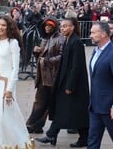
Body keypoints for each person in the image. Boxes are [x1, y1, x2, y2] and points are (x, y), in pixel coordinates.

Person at [35, 17, 89, 148]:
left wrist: (70, 85)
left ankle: (53, 134)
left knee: (68, 110)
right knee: (66, 109)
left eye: (65, 26)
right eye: (62, 26)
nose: (62, 28)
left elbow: (76, 66)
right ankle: (54, 135)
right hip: (64, 80)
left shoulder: (76, 43)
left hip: (73, 84)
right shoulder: (68, 40)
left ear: (72, 27)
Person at [0, 16, 34, 149]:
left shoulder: (13, 43)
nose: (0, 27)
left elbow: (15, 68)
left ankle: (15, 143)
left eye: (3, 25)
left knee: (6, 116)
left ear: (9, 27)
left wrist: (10, 89)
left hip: (7, 85)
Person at [88, 21, 113, 149]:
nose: (90, 35)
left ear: (104, 34)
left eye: (93, 33)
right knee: (93, 138)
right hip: (95, 105)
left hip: (109, 107)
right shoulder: (96, 51)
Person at [26, 17, 64, 133]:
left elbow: (62, 56)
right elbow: (41, 56)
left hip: (52, 75)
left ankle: (33, 124)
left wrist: (48, 60)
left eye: (50, 26)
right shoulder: (45, 39)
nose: (47, 28)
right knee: (40, 101)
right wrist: (36, 52)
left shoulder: (60, 39)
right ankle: (34, 125)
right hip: (43, 75)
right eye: (46, 26)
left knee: (45, 102)